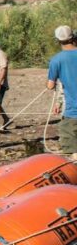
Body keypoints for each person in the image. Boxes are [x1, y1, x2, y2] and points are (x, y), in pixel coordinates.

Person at [47, 25, 77, 160]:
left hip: (73, 112)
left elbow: (50, 85)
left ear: (58, 41)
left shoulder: (56, 60)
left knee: (72, 150)